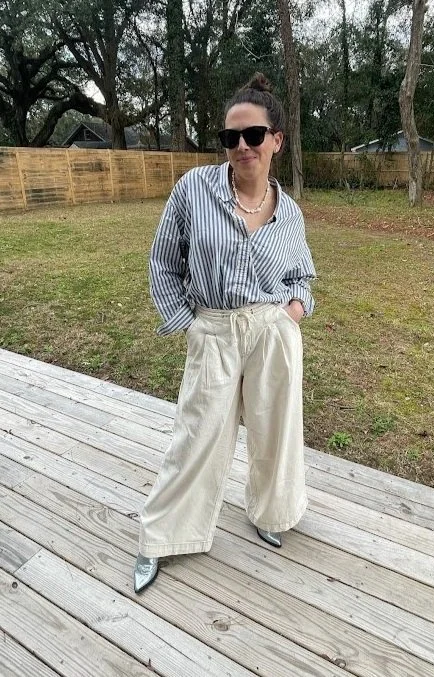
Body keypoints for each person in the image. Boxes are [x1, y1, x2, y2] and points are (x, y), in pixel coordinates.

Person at [134, 72, 316, 593]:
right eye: (230, 137)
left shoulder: (290, 212)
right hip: (213, 328)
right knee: (197, 434)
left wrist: (292, 312)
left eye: (253, 135)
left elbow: (302, 274)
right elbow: (163, 262)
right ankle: (163, 535)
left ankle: (271, 512)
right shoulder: (194, 190)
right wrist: (189, 325)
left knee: (275, 429)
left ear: (276, 140)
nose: (241, 146)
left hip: (272, 331)